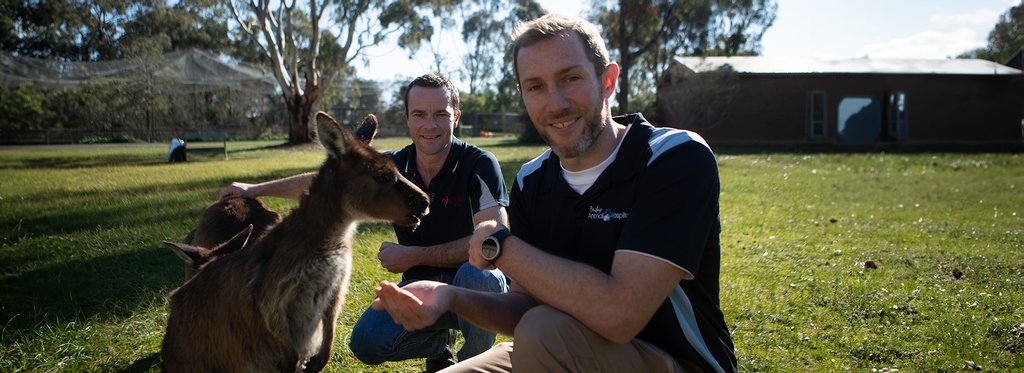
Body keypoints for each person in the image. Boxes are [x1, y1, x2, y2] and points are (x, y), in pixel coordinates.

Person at [370, 14, 735, 373]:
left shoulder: (672, 156)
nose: (555, 103)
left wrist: (498, 246)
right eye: (535, 87)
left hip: (672, 359)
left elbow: (620, 316)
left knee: (543, 332)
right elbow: (522, 307)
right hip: (552, 347)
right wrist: (451, 297)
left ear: (607, 81)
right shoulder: (532, 179)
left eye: (571, 78)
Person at [220, 73, 509, 372]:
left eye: (440, 115)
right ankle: (440, 344)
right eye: (419, 114)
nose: (429, 125)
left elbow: (492, 241)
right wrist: (255, 189)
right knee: (366, 342)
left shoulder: (479, 163)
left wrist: (414, 255)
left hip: (469, 287)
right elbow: (327, 182)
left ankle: (471, 365)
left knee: (483, 278)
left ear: (456, 117)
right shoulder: (395, 164)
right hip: (419, 287)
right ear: (407, 118)